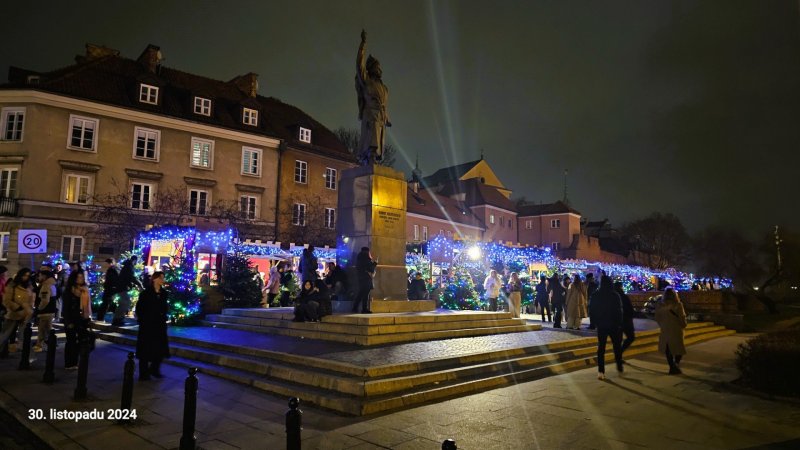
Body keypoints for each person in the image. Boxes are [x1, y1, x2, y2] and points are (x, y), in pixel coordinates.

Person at [355, 29, 391, 165]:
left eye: (380, 67)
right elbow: (359, 66)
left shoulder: (384, 87)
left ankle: (374, 158)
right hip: (370, 115)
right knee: (370, 140)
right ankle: (369, 157)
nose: (380, 69)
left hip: (380, 117)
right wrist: (363, 45)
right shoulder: (367, 82)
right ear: (371, 69)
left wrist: (387, 116)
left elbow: (384, 104)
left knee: (379, 140)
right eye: (377, 67)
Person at [135, 271, 170, 380]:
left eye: (163, 278)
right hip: (148, 325)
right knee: (145, 350)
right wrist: (143, 320)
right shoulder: (145, 293)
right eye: (160, 278)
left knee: (159, 349)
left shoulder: (164, 293)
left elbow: (164, 307)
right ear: (155, 279)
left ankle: (155, 369)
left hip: (159, 325)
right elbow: (140, 308)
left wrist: (164, 316)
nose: (162, 280)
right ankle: (144, 373)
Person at [589, 275, 624, 380]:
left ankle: (601, 371)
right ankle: (619, 365)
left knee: (601, 348)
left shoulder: (596, 295)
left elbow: (592, 310)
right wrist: (619, 323)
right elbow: (619, 310)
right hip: (613, 324)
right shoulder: (615, 295)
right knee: (616, 346)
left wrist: (594, 323)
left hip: (602, 324)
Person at [62, 270, 92, 370]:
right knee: (71, 341)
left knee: (81, 342)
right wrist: (68, 321)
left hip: (82, 319)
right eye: (78, 277)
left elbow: (87, 306)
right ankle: (69, 363)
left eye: (82, 277)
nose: (81, 279)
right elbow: (66, 308)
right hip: (71, 318)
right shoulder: (70, 290)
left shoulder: (85, 290)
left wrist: (87, 318)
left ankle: (76, 362)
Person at [0, 268, 34, 354]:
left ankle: (25, 357)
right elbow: (6, 300)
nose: (26, 277)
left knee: (23, 336)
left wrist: (30, 309)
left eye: (28, 275)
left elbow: (31, 300)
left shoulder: (29, 286)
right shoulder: (12, 285)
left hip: (26, 314)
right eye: (24, 275)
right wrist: (17, 307)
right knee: (5, 335)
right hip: (14, 313)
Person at [654, 288, 687, 375]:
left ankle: (672, 366)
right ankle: (675, 365)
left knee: (668, 349)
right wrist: (684, 324)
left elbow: (657, 317)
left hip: (665, 329)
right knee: (679, 349)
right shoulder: (678, 305)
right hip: (676, 329)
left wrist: (662, 324)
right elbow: (682, 317)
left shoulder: (660, 305)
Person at [33, 265, 58, 352]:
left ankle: (40, 345)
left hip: (45, 311)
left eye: (40, 275)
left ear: (44, 276)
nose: (39, 277)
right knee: (47, 329)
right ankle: (48, 344)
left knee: (42, 330)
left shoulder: (46, 285)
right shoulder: (51, 284)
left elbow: (45, 300)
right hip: (50, 310)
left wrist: (39, 309)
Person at [114, 256, 143, 326]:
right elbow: (131, 277)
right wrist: (139, 284)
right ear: (135, 260)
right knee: (125, 302)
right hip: (122, 287)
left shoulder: (128, 266)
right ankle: (118, 319)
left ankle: (118, 319)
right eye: (136, 261)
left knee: (124, 302)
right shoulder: (129, 267)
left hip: (122, 287)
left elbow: (129, 277)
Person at [614, 281, 636, 358]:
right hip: (625, 320)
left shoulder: (613, 297)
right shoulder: (623, 296)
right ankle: (619, 354)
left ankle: (619, 354)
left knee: (619, 340)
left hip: (617, 321)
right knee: (630, 337)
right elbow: (629, 308)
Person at [353, 247, 377, 314]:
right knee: (365, 294)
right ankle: (364, 309)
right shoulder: (367, 259)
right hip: (366, 278)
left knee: (361, 293)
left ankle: (355, 307)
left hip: (361, 278)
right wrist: (374, 264)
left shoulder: (359, 259)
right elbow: (371, 269)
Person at [95, 258, 119, 322]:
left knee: (105, 303)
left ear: (110, 263)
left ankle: (100, 317)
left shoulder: (113, 270)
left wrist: (112, 287)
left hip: (110, 289)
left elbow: (113, 280)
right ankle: (100, 317)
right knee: (105, 303)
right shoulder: (112, 269)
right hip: (109, 289)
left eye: (107, 263)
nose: (106, 265)